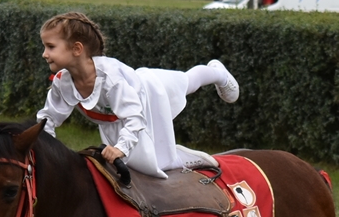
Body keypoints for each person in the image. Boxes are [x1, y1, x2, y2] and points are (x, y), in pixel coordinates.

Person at [35, 11, 239, 179]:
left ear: (77, 49)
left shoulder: (111, 80)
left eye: (50, 47)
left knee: (187, 82)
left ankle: (217, 73)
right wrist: (47, 151)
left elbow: (134, 118)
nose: (44, 54)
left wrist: (120, 148)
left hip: (149, 92)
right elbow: (48, 119)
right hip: (117, 119)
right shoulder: (62, 82)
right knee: (140, 164)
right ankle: (176, 157)